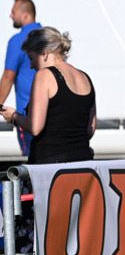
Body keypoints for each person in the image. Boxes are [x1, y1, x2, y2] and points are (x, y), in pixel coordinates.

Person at [0, 27, 95, 164]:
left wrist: (14, 117)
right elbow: (89, 129)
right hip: (83, 163)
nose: (31, 65)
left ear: (44, 53)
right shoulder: (85, 78)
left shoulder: (44, 76)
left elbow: (35, 127)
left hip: (50, 167)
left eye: (31, 58)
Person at [1, 0, 43, 156]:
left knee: (32, 167)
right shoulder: (48, 37)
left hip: (28, 117)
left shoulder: (18, 40)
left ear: (25, 15)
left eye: (13, 12)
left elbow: (8, 77)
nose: (11, 16)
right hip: (50, 115)